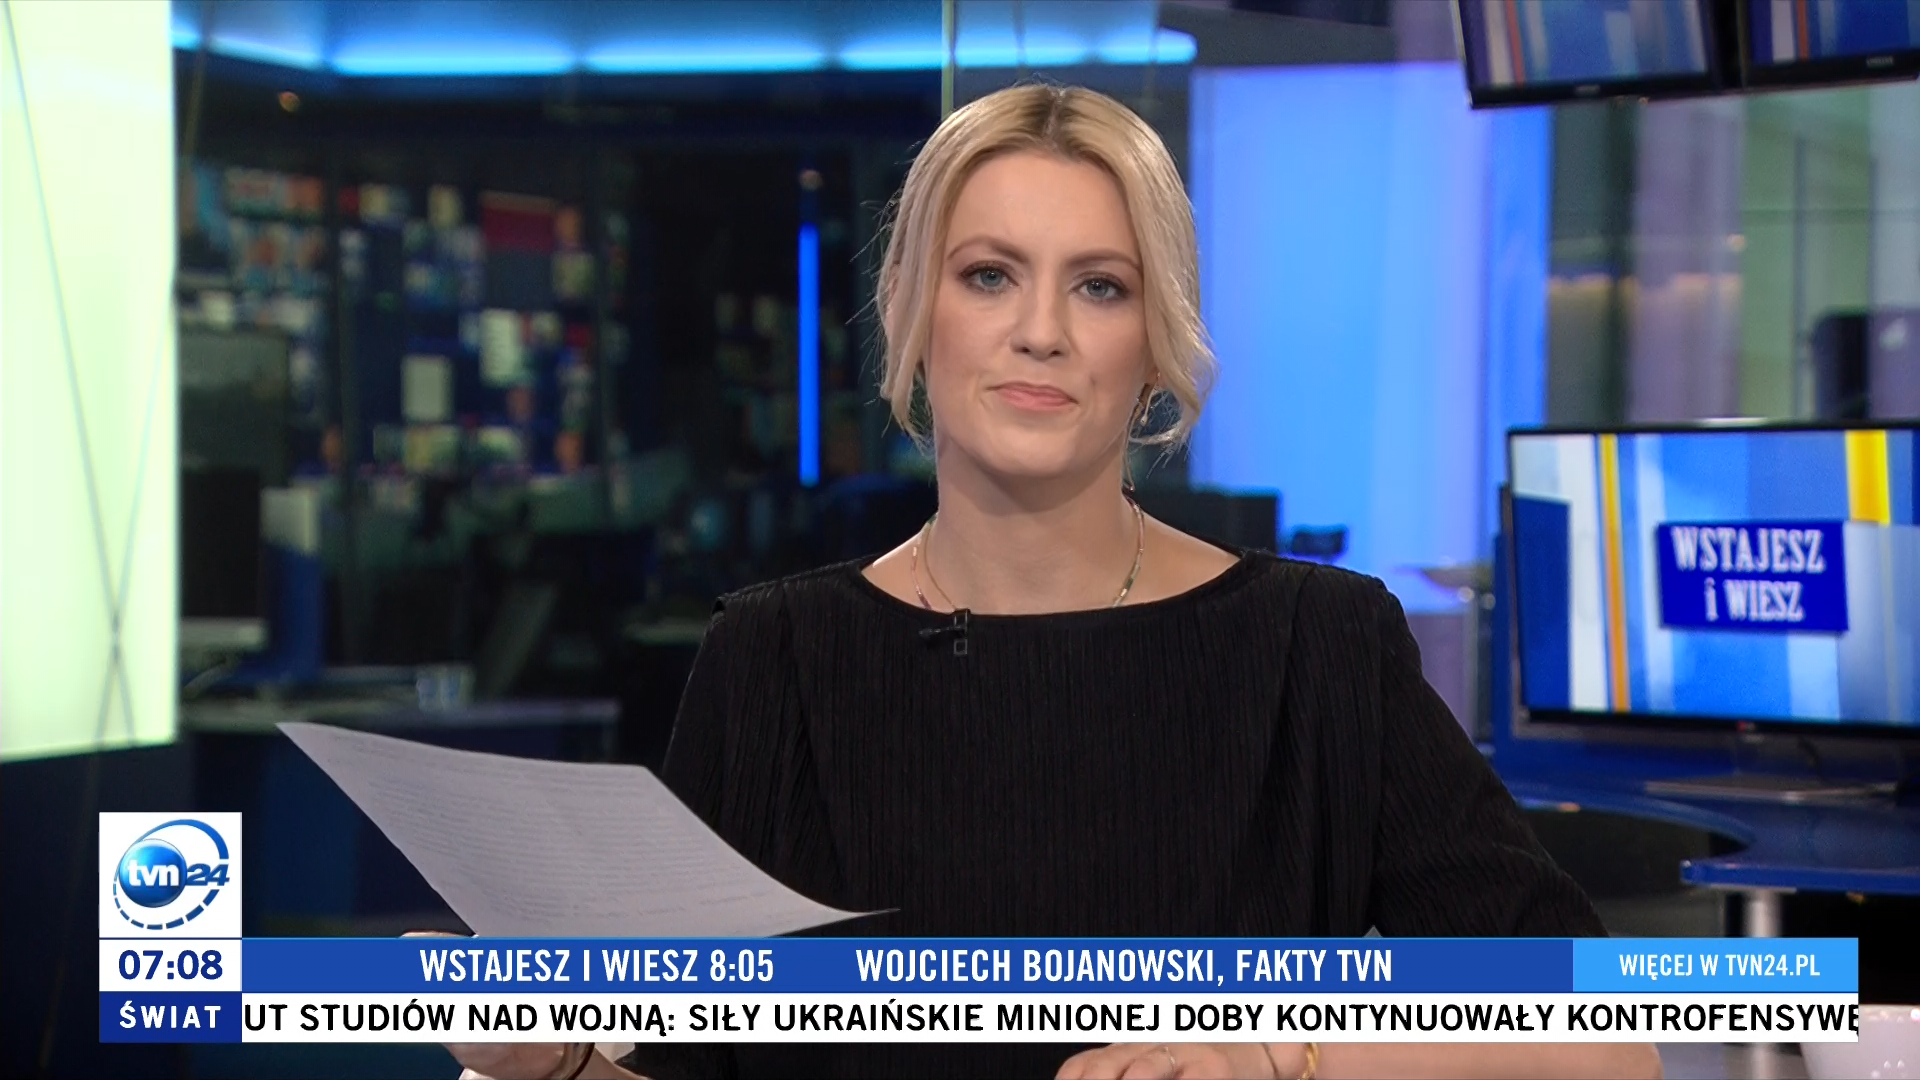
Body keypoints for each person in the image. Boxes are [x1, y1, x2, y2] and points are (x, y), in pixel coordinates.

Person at [440, 84, 1663, 1080]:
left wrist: (1282, 1054)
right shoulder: (774, 661)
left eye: (1100, 285)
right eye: (989, 275)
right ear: (912, 314)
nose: (1042, 331)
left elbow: (1607, 1041)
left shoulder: (1318, 647)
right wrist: (554, 1064)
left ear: (1155, 345)